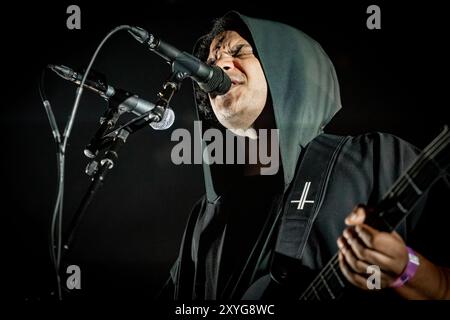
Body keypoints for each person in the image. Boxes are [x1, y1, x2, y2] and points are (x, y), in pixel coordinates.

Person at [161, 11, 450, 300]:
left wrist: (408, 270)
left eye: (239, 52)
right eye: (210, 63)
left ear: (286, 64)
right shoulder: (205, 216)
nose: (219, 65)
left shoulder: (374, 159)